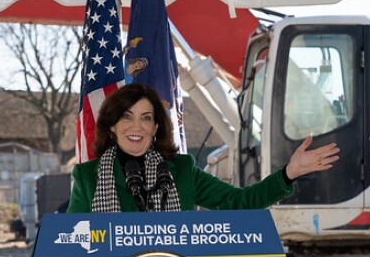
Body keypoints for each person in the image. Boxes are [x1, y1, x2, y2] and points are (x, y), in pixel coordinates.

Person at [67, 83, 339, 213]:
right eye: (126, 116)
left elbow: (239, 202)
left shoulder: (183, 170)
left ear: (156, 127)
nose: (136, 127)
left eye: (146, 118)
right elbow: (71, 241)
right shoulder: (87, 176)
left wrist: (287, 174)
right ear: (112, 126)